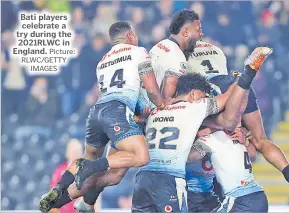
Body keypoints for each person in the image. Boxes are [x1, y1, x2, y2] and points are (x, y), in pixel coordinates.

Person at [39, 21, 166, 213]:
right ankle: (92, 166)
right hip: (117, 112)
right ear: (130, 36)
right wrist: (163, 104)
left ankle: (59, 195)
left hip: (96, 113)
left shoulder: (103, 61)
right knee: (140, 156)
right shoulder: (139, 52)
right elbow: (152, 90)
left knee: (111, 174)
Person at [131, 47, 272, 212]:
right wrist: (242, 79)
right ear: (192, 95)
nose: (205, 99)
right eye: (203, 96)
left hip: (143, 179)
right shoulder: (192, 108)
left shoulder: (156, 110)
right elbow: (228, 110)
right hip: (170, 181)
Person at [186, 41, 289, 209]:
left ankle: (247, 76)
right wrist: (245, 138)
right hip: (238, 87)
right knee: (260, 140)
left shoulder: (189, 77)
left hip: (208, 91)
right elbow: (252, 152)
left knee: (219, 125)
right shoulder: (219, 57)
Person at [49, 139, 83, 213]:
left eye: (78, 151)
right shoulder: (58, 172)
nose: (75, 154)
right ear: (67, 153)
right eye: (73, 151)